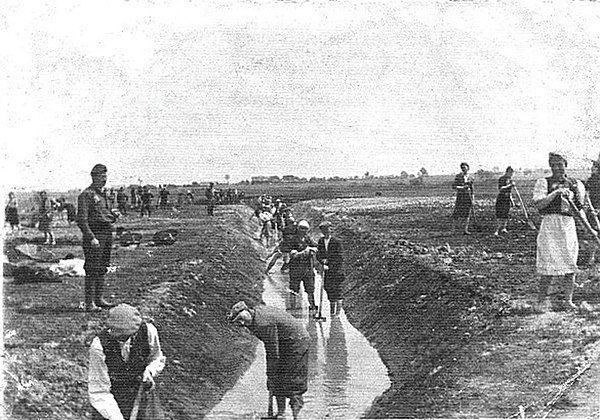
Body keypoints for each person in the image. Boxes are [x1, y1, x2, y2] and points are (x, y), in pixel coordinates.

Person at [533, 152, 598, 311]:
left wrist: (590, 229)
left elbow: (580, 209)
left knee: (570, 262)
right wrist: (555, 193)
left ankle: (568, 301)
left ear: (565, 165)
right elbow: (539, 204)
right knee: (548, 262)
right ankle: (541, 301)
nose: (556, 168)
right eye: (553, 164)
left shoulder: (575, 184)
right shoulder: (543, 182)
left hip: (567, 225)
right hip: (550, 224)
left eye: (560, 164)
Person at [228, 301, 309, 420]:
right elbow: (272, 347)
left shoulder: (263, 323)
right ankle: (281, 414)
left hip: (297, 341)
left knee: (293, 379)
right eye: (238, 322)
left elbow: (272, 350)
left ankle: (297, 416)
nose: (242, 323)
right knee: (276, 379)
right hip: (285, 341)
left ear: (247, 311)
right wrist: (272, 373)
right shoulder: (255, 316)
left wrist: (271, 372)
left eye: (242, 318)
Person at [89, 304, 166, 420]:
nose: (121, 339)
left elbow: (156, 358)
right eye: (117, 335)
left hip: (141, 395)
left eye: (126, 336)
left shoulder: (149, 331)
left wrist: (150, 372)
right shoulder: (99, 347)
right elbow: (99, 391)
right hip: (110, 401)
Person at [77, 164, 120, 311]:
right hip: (94, 235)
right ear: (94, 177)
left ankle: (99, 298)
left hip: (107, 233)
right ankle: (89, 303)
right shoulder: (86, 195)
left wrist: (113, 215)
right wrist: (91, 237)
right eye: (101, 177)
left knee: (102, 267)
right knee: (92, 268)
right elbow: (81, 220)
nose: (104, 179)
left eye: (105, 176)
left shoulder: (105, 195)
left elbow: (105, 214)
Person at [281, 220, 318, 311]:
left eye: (305, 229)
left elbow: (317, 247)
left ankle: (312, 307)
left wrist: (312, 249)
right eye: (301, 228)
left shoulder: (308, 239)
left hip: (308, 269)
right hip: (295, 269)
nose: (303, 231)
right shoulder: (292, 239)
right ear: (298, 228)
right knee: (294, 290)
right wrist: (303, 252)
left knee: (310, 290)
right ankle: (292, 308)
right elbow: (291, 255)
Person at [316, 221, 346, 316]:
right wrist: (322, 261)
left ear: (330, 230)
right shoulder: (321, 241)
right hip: (327, 271)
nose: (326, 231)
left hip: (336, 271)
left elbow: (339, 257)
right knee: (328, 289)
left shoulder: (337, 242)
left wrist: (329, 265)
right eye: (323, 230)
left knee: (337, 291)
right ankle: (331, 312)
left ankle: (337, 314)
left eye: (327, 229)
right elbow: (318, 254)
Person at [451, 162, 474, 235]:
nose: (464, 169)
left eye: (465, 167)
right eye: (462, 168)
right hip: (460, 196)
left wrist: (473, 198)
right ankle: (453, 230)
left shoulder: (471, 177)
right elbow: (454, 186)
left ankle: (465, 230)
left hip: (468, 196)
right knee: (457, 213)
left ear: (468, 168)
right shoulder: (458, 176)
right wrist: (462, 188)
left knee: (467, 213)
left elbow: (472, 189)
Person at [494, 167, 515, 236]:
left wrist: (512, 201)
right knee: (500, 214)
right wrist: (510, 185)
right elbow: (501, 189)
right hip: (501, 198)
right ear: (507, 172)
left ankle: (503, 228)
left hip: (507, 198)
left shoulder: (510, 180)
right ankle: (497, 229)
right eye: (511, 173)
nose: (511, 175)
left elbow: (510, 192)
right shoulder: (502, 179)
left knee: (506, 213)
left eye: (512, 173)